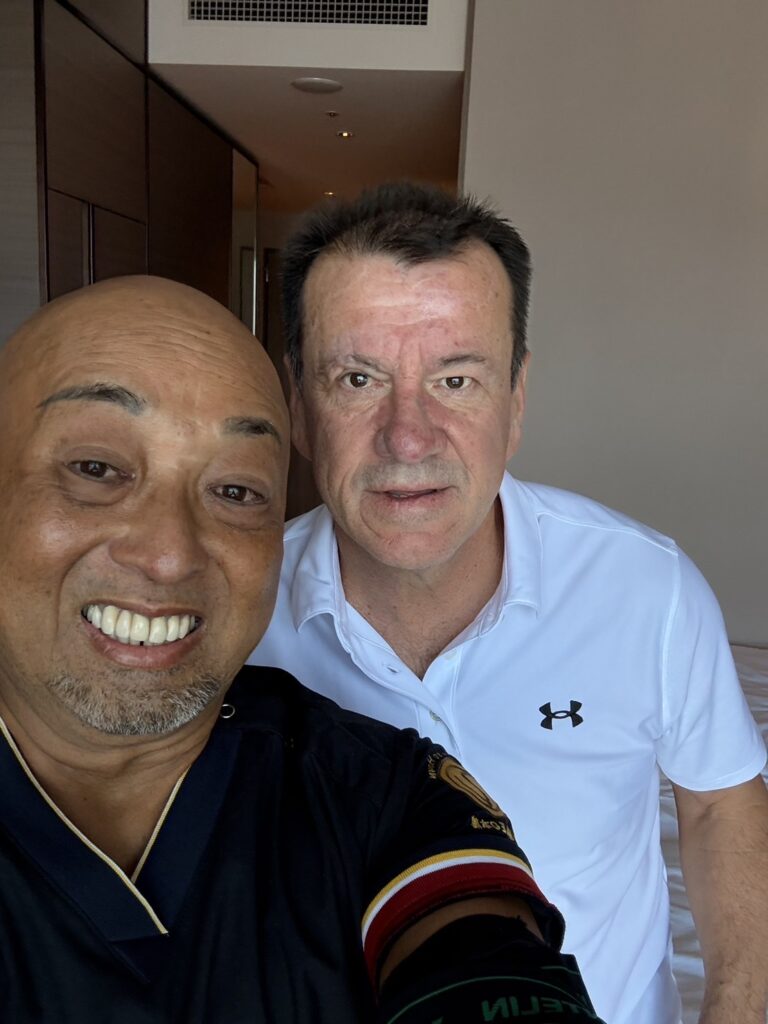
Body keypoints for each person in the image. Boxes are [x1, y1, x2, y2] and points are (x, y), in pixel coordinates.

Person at [0, 275, 605, 1023]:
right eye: (95, 469)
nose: (169, 554)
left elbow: (484, 961)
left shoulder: (386, 796)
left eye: (236, 490)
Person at [249, 182, 768, 1024]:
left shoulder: (647, 588)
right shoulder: (235, 612)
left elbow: (717, 801)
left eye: (456, 379)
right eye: (357, 378)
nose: (408, 436)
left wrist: (738, 1008)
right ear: (300, 407)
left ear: (516, 399)